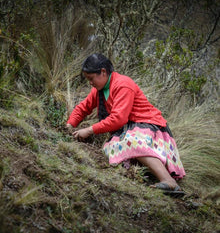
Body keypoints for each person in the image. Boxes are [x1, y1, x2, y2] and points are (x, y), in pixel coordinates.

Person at [66, 53, 186, 196]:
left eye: (91, 78)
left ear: (103, 72)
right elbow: (83, 108)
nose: (90, 83)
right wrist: (69, 125)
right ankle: (149, 176)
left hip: (150, 127)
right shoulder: (98, 90)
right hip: (129, 129)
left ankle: (168, 181)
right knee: (108, 148)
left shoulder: (123, 84)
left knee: (131, 142)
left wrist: (90, 130)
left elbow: (118, 119)